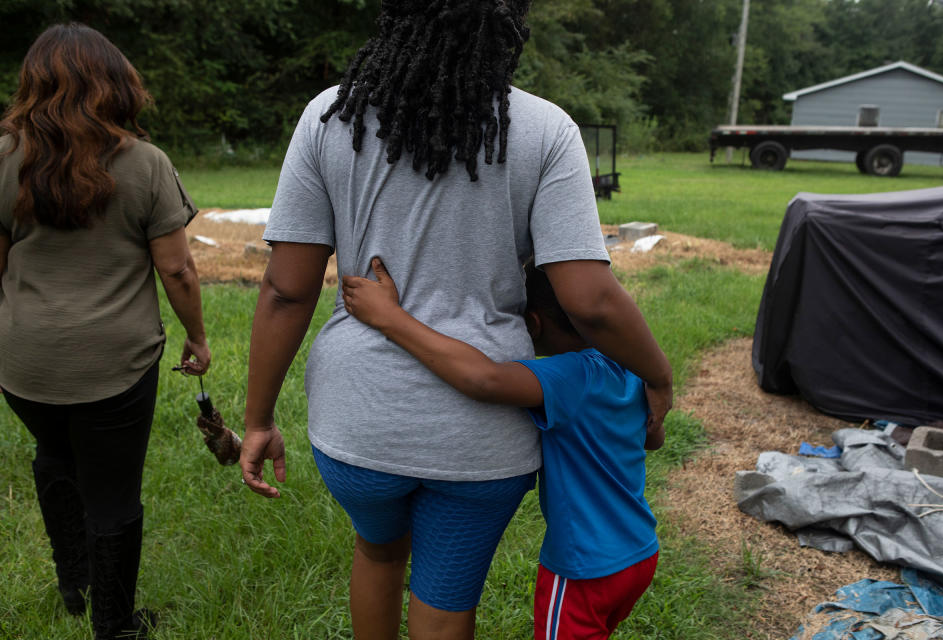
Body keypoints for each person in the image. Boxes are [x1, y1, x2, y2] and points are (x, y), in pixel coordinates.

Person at [240, 1, 672, 638]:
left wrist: (257, 419)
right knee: (446, 597)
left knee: (378, 552)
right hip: (484, 439)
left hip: (361, 424)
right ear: (509, 22)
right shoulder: (546, 131)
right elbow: (591, 300)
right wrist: (657, 378)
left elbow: (285, 289)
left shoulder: (331, 117)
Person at [0, 23, 210, 640]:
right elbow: (177, 267)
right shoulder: (145, 164)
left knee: (54, 454)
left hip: (22, 365)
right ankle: (115, 625)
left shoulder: (3, 157)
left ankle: (75, 583)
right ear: (116, 84)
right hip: (115, 364)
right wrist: (197, 337)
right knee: (113, 491)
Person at [342, 257, 663, 640]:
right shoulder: (629, 364)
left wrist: (389, 318)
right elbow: (653, 438)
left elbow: (484, 379)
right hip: (639, 552)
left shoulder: (572, 376)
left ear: (533, 323)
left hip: (586, 567)